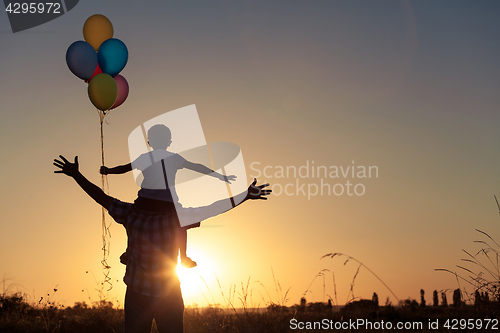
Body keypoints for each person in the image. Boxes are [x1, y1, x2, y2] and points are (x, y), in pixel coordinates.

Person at [53, 155, 271, 333]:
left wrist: (76, 175)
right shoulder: (175, 218)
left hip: (137, 294)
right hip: (169, 294)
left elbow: (100, 196)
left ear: (142, 197)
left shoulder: (131, 214)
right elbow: (213, 207)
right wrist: (244, 196)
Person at [101, 124, 235, 268]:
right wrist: (219, 176)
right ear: (169, 142)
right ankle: (183, 257)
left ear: (149, 143)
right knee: (181, 224)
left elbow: (124, 168)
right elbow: (196, 166)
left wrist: (108, 171)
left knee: (133, 220)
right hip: (167, 203)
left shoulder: (145, 157)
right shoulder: (173, 157)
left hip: (145, 201)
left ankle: (129, 251)